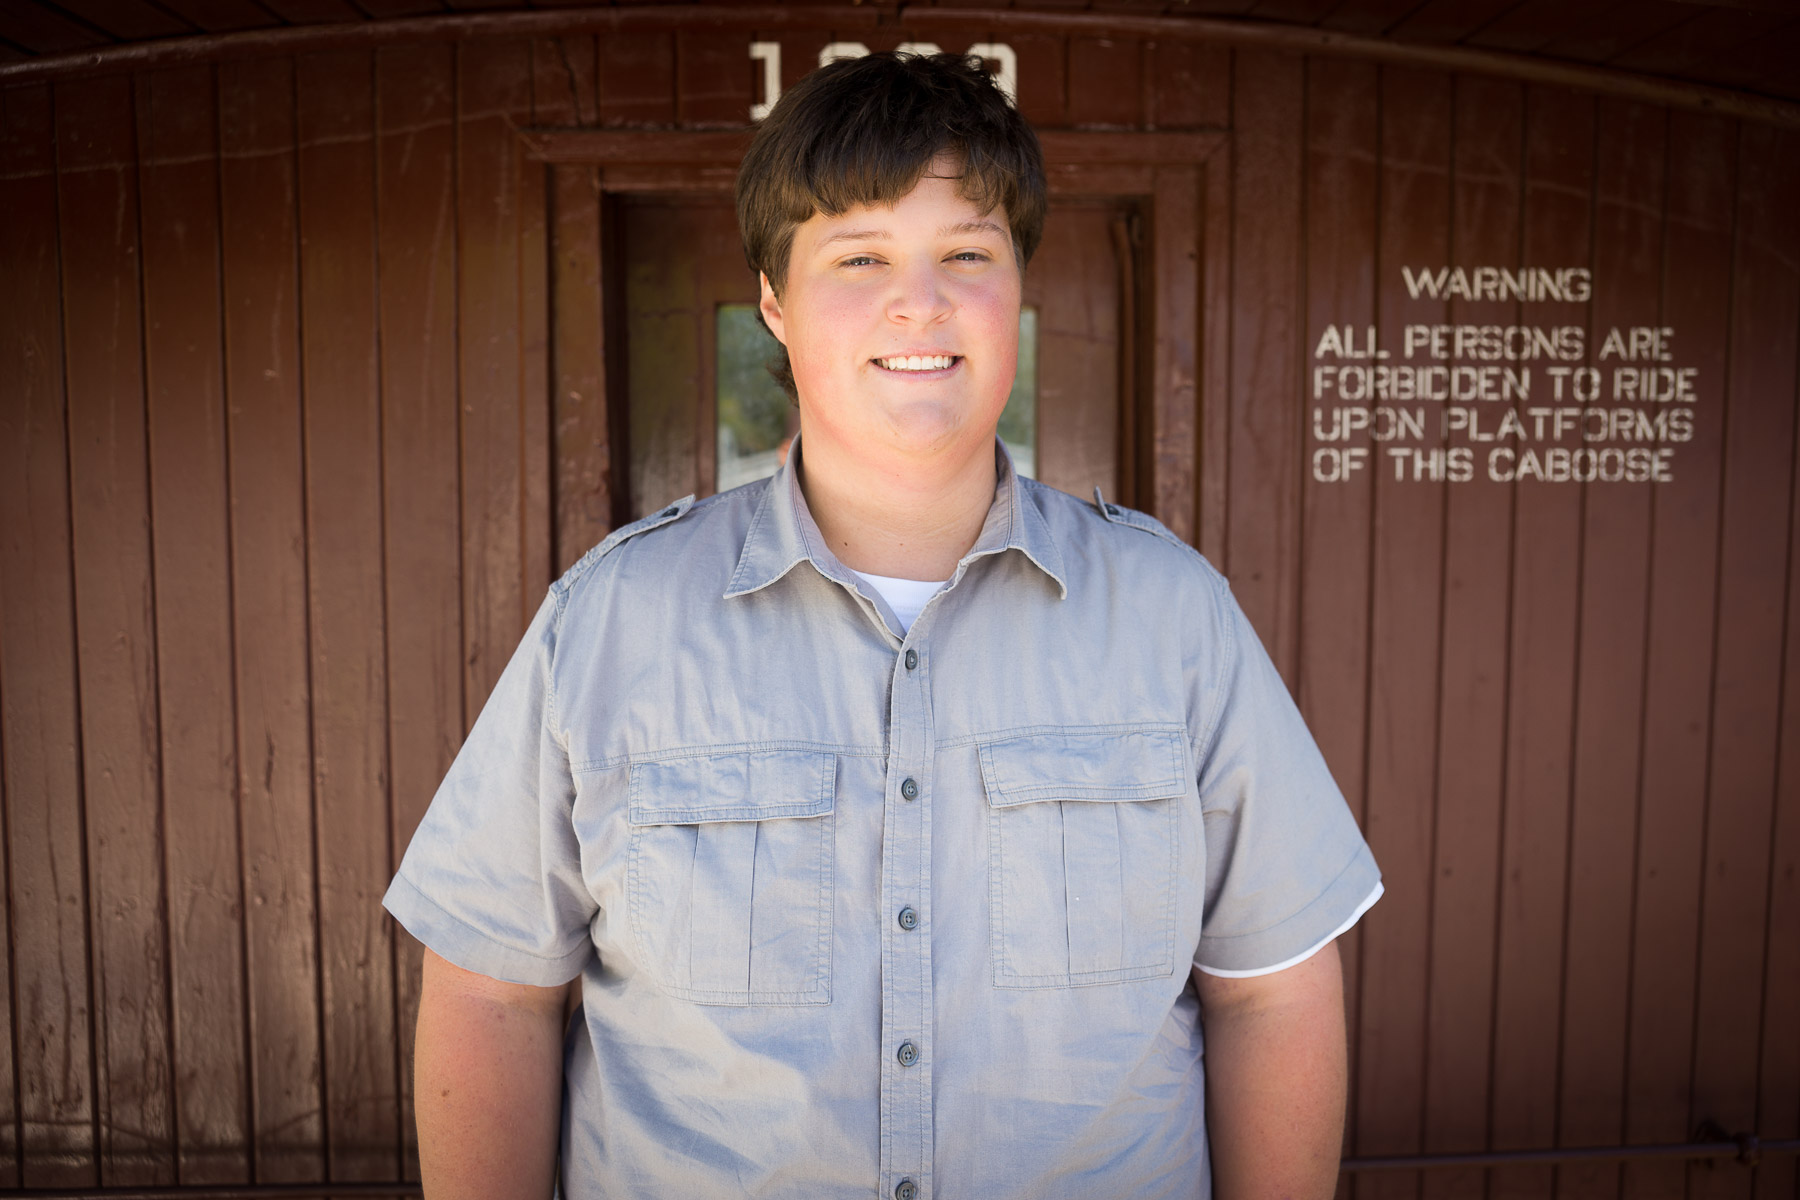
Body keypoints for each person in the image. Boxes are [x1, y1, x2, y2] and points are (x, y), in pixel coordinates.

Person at [385, 50, 1381, 1200]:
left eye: (968, 252)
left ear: (1018, 287)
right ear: (774, 302)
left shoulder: (1175, 619)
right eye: (859, 257)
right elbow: (490, 994)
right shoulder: (608, 622)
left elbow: (1272, 989)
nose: (922, 300)